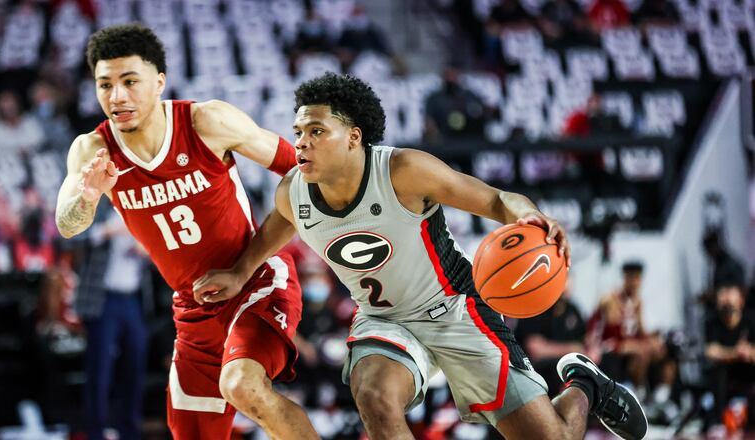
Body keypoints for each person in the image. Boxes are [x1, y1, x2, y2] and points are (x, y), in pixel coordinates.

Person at [193, 72, 647, 440]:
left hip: (455, 308)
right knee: (373, 395)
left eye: (316, 131)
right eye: (298, 132)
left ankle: (584, 384)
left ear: (353, 137)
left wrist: (530, 215)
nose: (302, 142)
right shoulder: (294, 191)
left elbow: (493, 199)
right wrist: (239, 272)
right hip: (383, 319)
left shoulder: (403, 171)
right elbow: (279, 223)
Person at [54, 24, 318, 440]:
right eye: (105, 85)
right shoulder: (93, 149)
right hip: (195, 306)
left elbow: (305, 172)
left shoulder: (207, 120)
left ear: (159, 81)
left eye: (129, 82)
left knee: (242, 385)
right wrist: (87, 196)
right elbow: (68, 224)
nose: (117, 96)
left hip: (257, 278)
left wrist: (248, 264)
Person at [74, 202, 151, 440]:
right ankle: (95, 430)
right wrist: (109, 230)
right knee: (100, 367)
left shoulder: (143, 209)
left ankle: (128, 429)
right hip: (104, 299)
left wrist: (146, 248)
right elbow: (74, 238)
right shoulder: (99, 206)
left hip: (131, 299)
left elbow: (157, 250)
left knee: (135, 362)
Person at [587, 262, 675, 403]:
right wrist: (643, 345)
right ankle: (638, 396)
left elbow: (640, 332)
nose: (635, 283)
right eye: (632, 278)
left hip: (625, 346)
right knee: (642, 353)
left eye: (638, 279)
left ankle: (661, 397)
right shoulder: (611, 300)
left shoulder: (637, 302)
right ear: (625, 278)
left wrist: (654, 341)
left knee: (664, 353)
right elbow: (615, 335)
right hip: (607, 347)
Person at [704, 280, 755, 431]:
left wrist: (749, 352)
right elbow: (711, 351)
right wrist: (735, 353)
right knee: (718, 371)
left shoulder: (751, 321)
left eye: (731, 303)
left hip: (748, 373)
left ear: (740, 301)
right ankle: (718, 422)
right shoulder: (712, 322)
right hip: (725, 377)